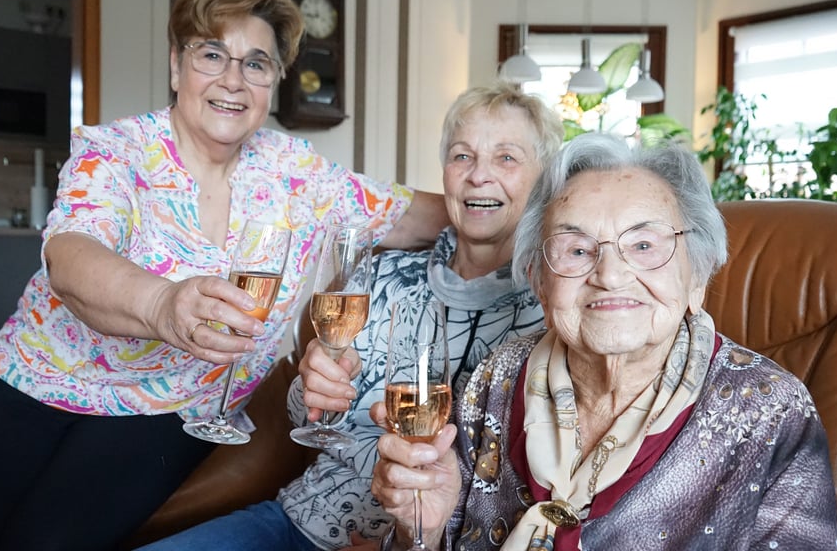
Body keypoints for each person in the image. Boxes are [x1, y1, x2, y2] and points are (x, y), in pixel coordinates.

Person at [0, 0, 449, 551]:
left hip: (175, 410)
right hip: (31, 381)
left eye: (256, 63)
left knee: (42, 541)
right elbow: (70, 255)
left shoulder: (298, 176)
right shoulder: (118, 150)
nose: (233, 79)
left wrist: (526, 206)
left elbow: (422, 215)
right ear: (177, 66)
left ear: (273, 80)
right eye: (212, 54)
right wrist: (163, 304)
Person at [137, 82, 565, 551]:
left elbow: (512, 485)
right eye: (462, 156)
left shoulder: (551, 312)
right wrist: (314, 388)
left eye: (506, 158)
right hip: (302, 519)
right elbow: (308, 418)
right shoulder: (380, 274)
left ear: (543, 179)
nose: (479, 175)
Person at [371, 132, 837, 550]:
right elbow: (430, 537)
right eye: (577, 249)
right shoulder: (497, 377)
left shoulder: (769, 411)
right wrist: (424, 532)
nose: (611, 275)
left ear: (696, 276)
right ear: (539, 280)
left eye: (644, 245)